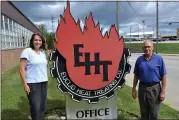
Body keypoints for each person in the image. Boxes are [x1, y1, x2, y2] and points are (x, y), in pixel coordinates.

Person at [132, 40, 167, 120]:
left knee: (154, 113)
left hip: (155, 88)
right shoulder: (139, 60)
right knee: (144, 112)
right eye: (145, 47)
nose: (147, 48)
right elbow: (136, 75)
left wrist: (163, 92)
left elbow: (164, 76)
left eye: (148, 47)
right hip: (142, 88)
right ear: (142, 48)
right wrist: (134, 88)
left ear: (152, 48)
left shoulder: (159, 59)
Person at [19, 32, 48, 120]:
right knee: (36, 106)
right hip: (32, 83)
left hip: (44, 82)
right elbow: (21, 69)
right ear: (32, 41)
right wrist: (25, 84)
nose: (38, 42)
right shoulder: (27, 51)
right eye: (36, 40)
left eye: (40, 40)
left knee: (42, 106)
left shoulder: (42, 53)